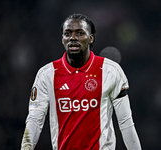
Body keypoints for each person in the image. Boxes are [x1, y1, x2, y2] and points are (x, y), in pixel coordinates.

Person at [20, 14, 141, 150]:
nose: (73, 38)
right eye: (67, 33)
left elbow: (125, 122)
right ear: (62, 39)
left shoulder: (111, 71)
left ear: (91, 38)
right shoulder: (46, 74)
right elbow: (35, 120)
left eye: (80, 33)